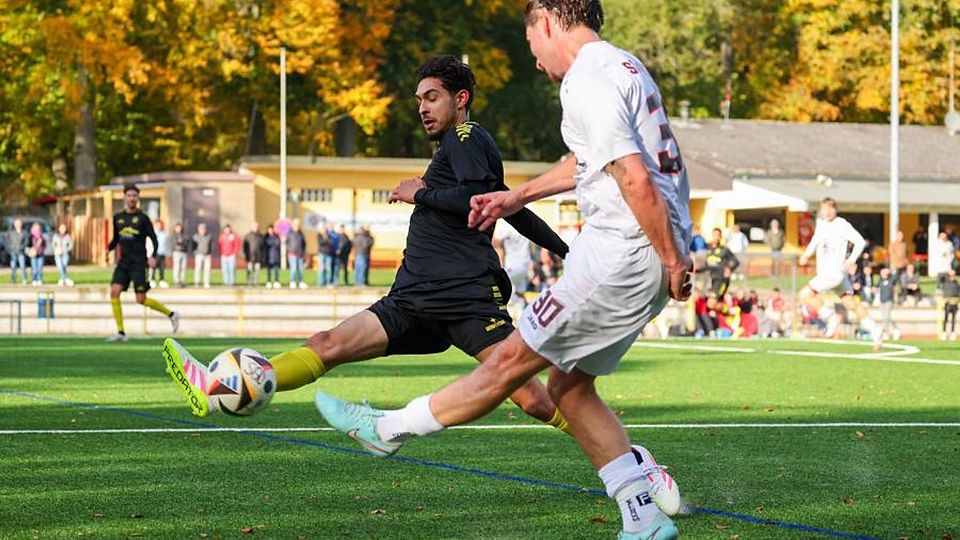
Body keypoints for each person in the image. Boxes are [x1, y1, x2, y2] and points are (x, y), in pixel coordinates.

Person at [313, 9, 693, 538]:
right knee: (569, 388)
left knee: (511, 364)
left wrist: (674, 256)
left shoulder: (584, 80)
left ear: (551, 22)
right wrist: (517, 195)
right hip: (641, 249)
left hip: (622, 249)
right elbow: (593, 162)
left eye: (530, 38)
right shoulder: (623, 66)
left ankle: (388, 428)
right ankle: (642, 514)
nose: (534, 57)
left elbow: (632, 176)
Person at [162, 54, 576, 451]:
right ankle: (224, 385)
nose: (422, 108)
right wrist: (565, 251)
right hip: (414, 297)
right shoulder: (452, 149)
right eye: (419, 101)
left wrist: (422, 193)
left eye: (432, 97)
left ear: (460, 98)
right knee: (326, 344)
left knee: (534, 401)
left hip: (462, 296)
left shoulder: (465, 137)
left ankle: (622, 456)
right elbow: (506, 204)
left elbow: (477, 197)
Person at [106, 184, 180, 342]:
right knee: (114, 291)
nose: (132, 198)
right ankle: (121, 332)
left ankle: (171, 314)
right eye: (129, 195)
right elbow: (116, 239)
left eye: (134, 195)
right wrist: (108, 249)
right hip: (124, 262)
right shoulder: (117, 218)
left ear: (138, 198)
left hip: (139, 263)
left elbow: (154, 238)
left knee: (140, 299)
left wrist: (152, 255)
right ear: (124, 197)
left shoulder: (143, 218)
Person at [798, 198, 866, 300]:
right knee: (848, 302)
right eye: (825, 209)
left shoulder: (842, 224)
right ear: (821, 211)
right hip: (829, 273)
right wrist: (806, 255)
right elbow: (815, 240)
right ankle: (865, 317)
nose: (828, 212)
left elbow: (860, 242)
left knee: (804, 295)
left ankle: (830, 316)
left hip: (833, 274)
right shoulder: (821, 224)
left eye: (831, 209)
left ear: (836, 210)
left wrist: (851, 260)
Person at [493, 219, 533, 320]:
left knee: (502, 293)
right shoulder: (525, 223)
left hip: (512, 266)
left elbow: (495, 242)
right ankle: (523, 316)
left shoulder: (507, 225)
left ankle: (507, 317)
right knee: (519, 294)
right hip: (524, 265)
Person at [700, 227, 739, 296]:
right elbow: (707, 265)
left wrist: (729, 269)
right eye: (714, 235)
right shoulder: (708, 249)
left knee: (712, 303)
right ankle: (728, 305)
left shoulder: (724, 250)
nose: (716, 237)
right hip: (710, 278)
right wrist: (697, 270)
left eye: (718, 235)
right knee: (706, 302)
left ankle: (731, 306)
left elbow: (736, 261)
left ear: (720, 237)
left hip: (720, 279)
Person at [876, 268, 899, 340]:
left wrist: (891, 271)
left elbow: (896, 275)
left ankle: (885, 332)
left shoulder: (891, 280)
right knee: (885, 317)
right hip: (881, 301)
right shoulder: (880, 281)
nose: (884, 275)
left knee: (886, 316)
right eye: (882, 273)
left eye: (885, 273)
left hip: (888, 300)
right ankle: (894, 330)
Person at [286, 218, 307, 289]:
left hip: (300, 254)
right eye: (295, 224)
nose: (296, 226)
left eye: (298, 224)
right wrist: (290, 250)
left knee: (300, 269)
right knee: (293, 269)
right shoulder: (289, 233)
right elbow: (287, 243)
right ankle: (292, 281)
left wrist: (303, 252)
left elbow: (304, 244)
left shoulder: (301, 234)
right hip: (292, 254)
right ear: (292, 225)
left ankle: (300, 281)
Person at [6, 218, 28, 285]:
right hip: (13, 251)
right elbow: (7, 241)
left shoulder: (24, 232)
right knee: (13, 266)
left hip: (21, 252)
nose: (18, 225)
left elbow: (26, 242)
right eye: (16, 223)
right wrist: (10, 248)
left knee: (22, 266)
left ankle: (24, 279)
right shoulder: (11, 232)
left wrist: (22, 247)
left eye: (19, 223)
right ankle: (13, 279)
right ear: (14, 224)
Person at [148, 220, 169, 288]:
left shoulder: (164, 234)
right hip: (154, 253)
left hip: (162, 253)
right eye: (157, 225)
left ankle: (162, 280)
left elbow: (166, 244)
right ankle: (152, 280)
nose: (158, 226)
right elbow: (149, 244)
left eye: (159, 225)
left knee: (162, 268)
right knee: (153, 268)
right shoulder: (151, 233)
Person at [192, 223, 213, 289]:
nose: (202, 230)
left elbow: (211, 245)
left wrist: (209, 251)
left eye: (203, 229)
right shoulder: (195, 237)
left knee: (207, 269)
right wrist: (195, 252)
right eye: (201, 229)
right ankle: (197, 282)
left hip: (207, 255)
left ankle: (206, 283)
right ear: (198, 229)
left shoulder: (209, 237)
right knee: (198, 269)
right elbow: (193, 246)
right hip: (199, 255)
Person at [243, 222, 263, 287]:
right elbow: (245, 247)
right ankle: (249, 282)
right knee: (250, 270)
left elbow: (263, 247)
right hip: (250, 256)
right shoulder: (248, 236)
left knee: (257, 271)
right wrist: (246, 255)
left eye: (256, 227)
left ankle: (256, 282)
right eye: (254, 227)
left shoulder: (260, 236)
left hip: (258, 257)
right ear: (251, 228)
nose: (255, 228)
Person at [262, 224, 282, 288]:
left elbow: (277, 243)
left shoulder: (276, 236)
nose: (270, 231)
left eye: (271, 229)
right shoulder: (265, 237)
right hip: (268, 256)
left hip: (275, 256)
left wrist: (270, 243)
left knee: (276, 270)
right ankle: (269, 281)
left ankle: (276, 281)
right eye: (269, 230)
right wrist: (271, 243)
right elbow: (265, 244)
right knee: (268, 271)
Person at [171, 223, 190, 288]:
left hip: (184, 252)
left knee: (183, 267)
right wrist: (181, 241)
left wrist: (182, 241)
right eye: (177, 228)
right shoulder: (173, 235)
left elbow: (187, 242)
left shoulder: (184, 235)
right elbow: (175, 243)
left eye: (180, 228)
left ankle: (182, 281)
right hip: (177, 252)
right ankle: (176, 281)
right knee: (177, 267)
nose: (179, 229)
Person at [942, 269, 959, 340]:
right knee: (946, 319)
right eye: (951, 275)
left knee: (953, 319)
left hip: (955, 304)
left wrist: (959, 303)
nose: (953, 277)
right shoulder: (945, 284)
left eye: (954, 275)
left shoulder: (957, 284)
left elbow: (959, 294)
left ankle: (952, 332)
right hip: (948, 304)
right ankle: (944, 332)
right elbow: (945, 294)